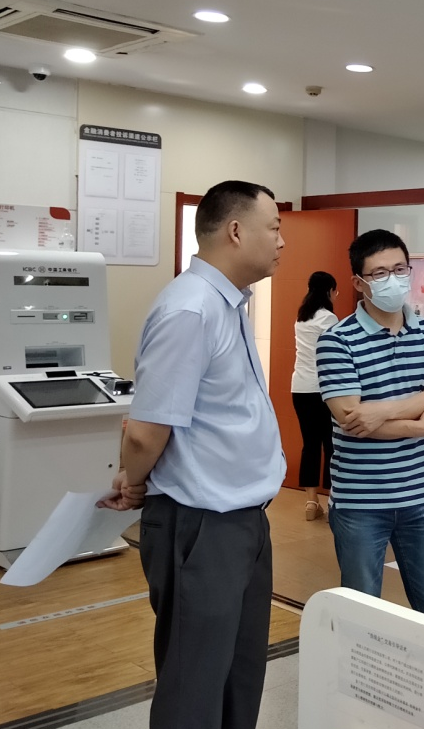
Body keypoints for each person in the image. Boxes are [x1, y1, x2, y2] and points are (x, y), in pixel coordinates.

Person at [98, 180, 286, 729]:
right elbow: (145, 433)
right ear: (236, 231)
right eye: (274, 227)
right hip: (201, 525)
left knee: (239, 675)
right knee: (195, 683)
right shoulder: (190, 309)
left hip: (243, 520)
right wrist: (133, 480)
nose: (281, 241)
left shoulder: (229, 304)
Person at [316, 229, 424, 620]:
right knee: (362, 615)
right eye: (379, 273)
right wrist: (418, 426)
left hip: (421, 495)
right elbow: (352, 421)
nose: (392, 279)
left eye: (399, 269)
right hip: (361, 502)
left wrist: (379, 412)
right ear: (359, 283)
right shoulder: (336, 341)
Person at [292, 270, 340, 521]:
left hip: (300, 388)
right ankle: (333, 502)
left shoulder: (301, 318)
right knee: (331, 445)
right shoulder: (329, 318)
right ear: (329, 291)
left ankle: (311, 502)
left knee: (309, 444)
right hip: (323, 389)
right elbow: (335, 355)